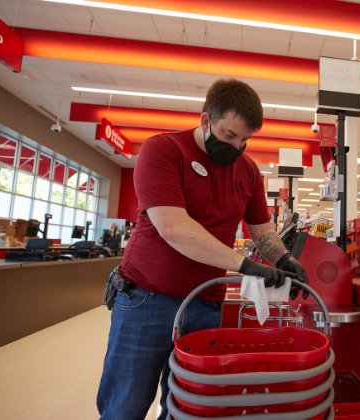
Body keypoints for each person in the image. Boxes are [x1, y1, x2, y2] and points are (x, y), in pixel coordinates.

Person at [97, 79, 309, 420]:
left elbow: (261, 230)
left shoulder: (249, 172)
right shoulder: (163, 150)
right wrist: (246, 267)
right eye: (229, 136)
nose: (238, 147)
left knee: (188, 406)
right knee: (126, 405)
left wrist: (284, 258)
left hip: (205, 303)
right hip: (146, 299)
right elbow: (175, 228)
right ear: (206, 121)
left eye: (245, 139)